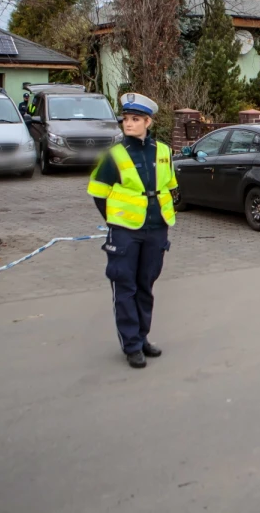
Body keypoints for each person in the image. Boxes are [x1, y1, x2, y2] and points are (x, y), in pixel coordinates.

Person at [87, 92, 178, 368]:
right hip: (125, 232)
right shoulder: (114, 155)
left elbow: (170, 187)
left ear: (148, 122)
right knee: (125, 287)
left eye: (135, 119)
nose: (128, 123)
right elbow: (98, 193)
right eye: (126, 119)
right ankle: (131, 345)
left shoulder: (163, 151)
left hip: (156, 229)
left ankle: (142, 337)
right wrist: (116, 221)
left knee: (145, 286)